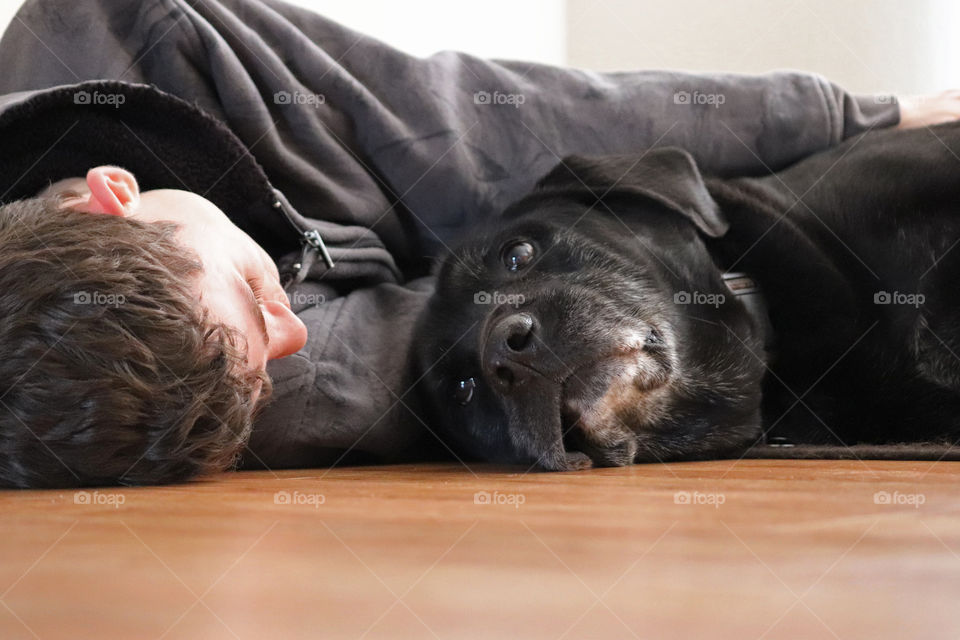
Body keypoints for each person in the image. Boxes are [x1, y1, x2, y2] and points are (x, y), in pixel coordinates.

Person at [0, 0, 957, 488]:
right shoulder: (96, 405)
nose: (289, 337)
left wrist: (868, 112)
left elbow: (476, 126)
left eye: (256, 291)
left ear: (107, 197)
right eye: (253, 379)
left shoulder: (137, 33)